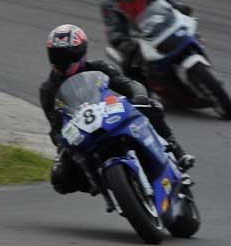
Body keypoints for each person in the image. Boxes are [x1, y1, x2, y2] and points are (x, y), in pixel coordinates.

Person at [39, 24, 194, 195]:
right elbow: (55, 126)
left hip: (110, 115)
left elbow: (128, 85)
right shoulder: (48, 89)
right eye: (57, 55)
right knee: (60, 178)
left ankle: (176, 151)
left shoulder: (98, 67)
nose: (62, 60)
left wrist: (139, 96)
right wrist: (62, 141)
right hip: (82, 133)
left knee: (150, 106)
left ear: (81, 52)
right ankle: (96, 181)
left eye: (67, 55)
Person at [101, 0, 193, 83]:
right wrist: (124, 43)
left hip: (160, 24)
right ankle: (144, 99)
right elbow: (112, 27)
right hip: (134, 37)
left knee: (190, 31)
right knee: (132, 67)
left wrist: (177, 4)